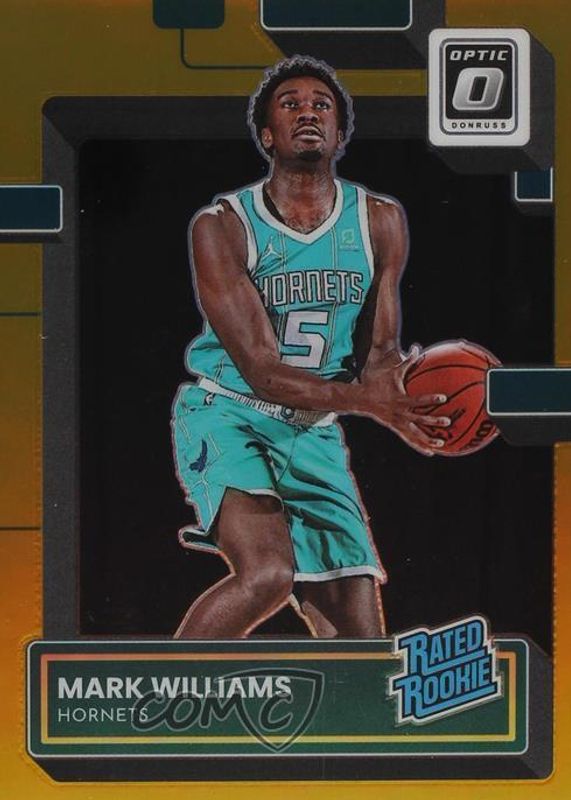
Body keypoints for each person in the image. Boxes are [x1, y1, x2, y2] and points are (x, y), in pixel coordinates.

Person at [171, 56, 449, 639]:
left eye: (322, 105)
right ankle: (164, 691)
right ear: (267, 135)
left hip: (314, 428)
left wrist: (417, 397)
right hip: (230, 413)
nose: (308, 112)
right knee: (268, 574)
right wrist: (371, 403)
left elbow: (378, 354)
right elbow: (263, 371)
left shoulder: (379, 221)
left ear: (340, 134)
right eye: (291, 104)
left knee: (361, 641)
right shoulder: (222, 225)